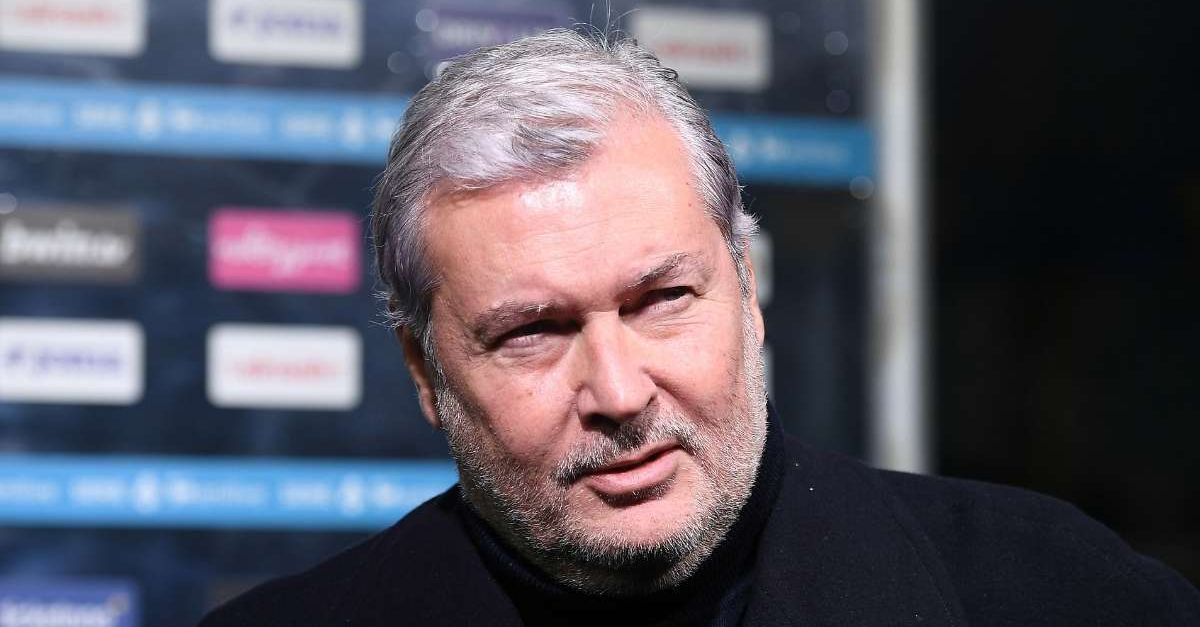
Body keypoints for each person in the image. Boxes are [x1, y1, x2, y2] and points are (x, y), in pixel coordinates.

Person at [199, 28, 1200, 627]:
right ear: (426, 372)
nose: (620, 391)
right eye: (534, 331)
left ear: (747, 292)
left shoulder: (1048, 590)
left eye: (661, 300)